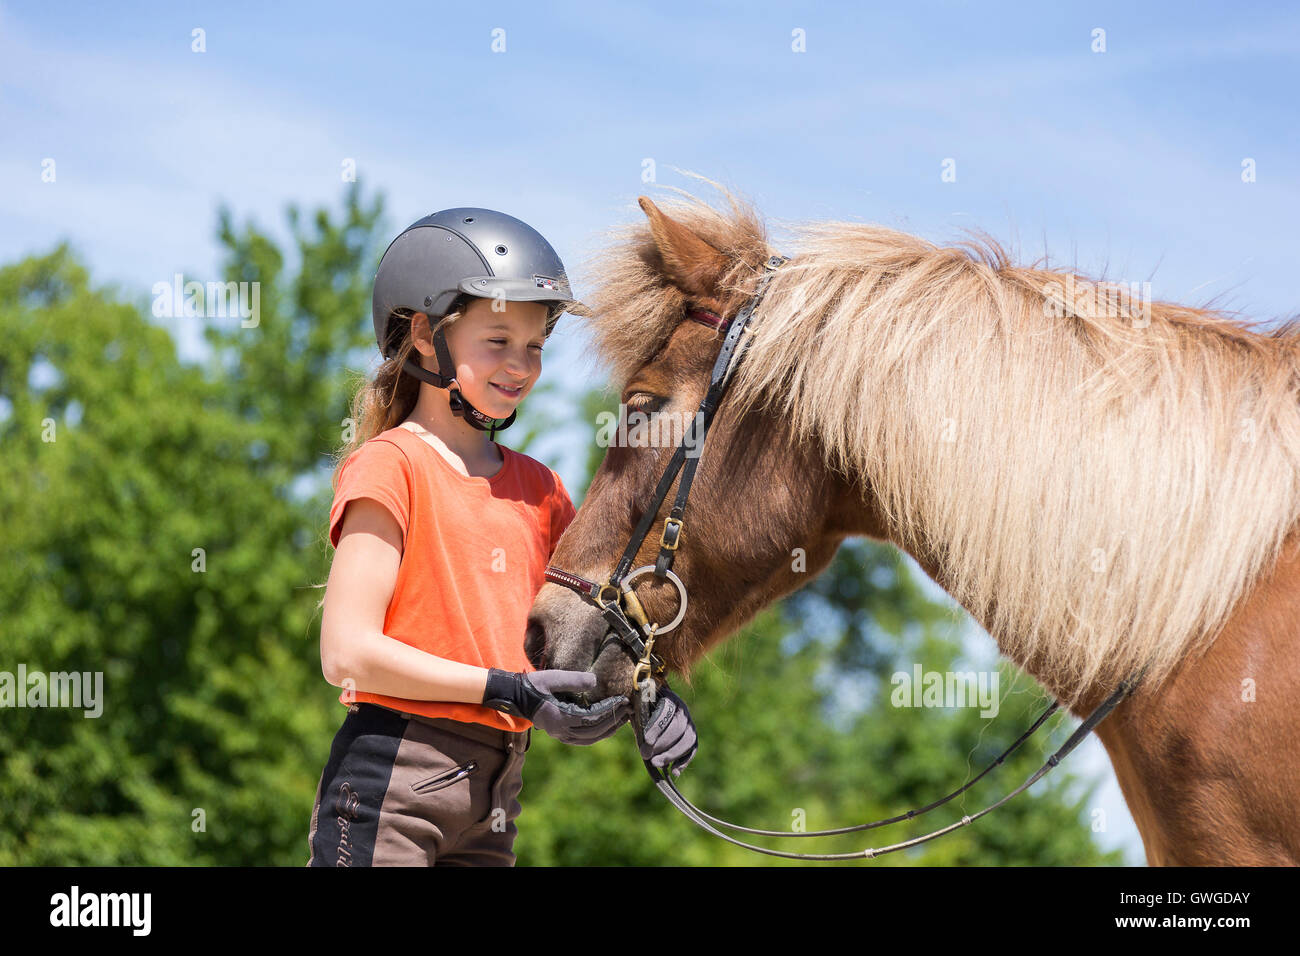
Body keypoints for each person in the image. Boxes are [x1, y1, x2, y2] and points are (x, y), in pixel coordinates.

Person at [306, 208, 696, 867]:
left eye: (535, 346)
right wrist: (504, 689)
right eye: (498, 341)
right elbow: (347, 653)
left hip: (495, 798)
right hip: (391, 782)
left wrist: (646, 696)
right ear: (427, 337)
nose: (521, 365)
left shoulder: (541, 490)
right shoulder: (390, 465)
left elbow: (578, 644)